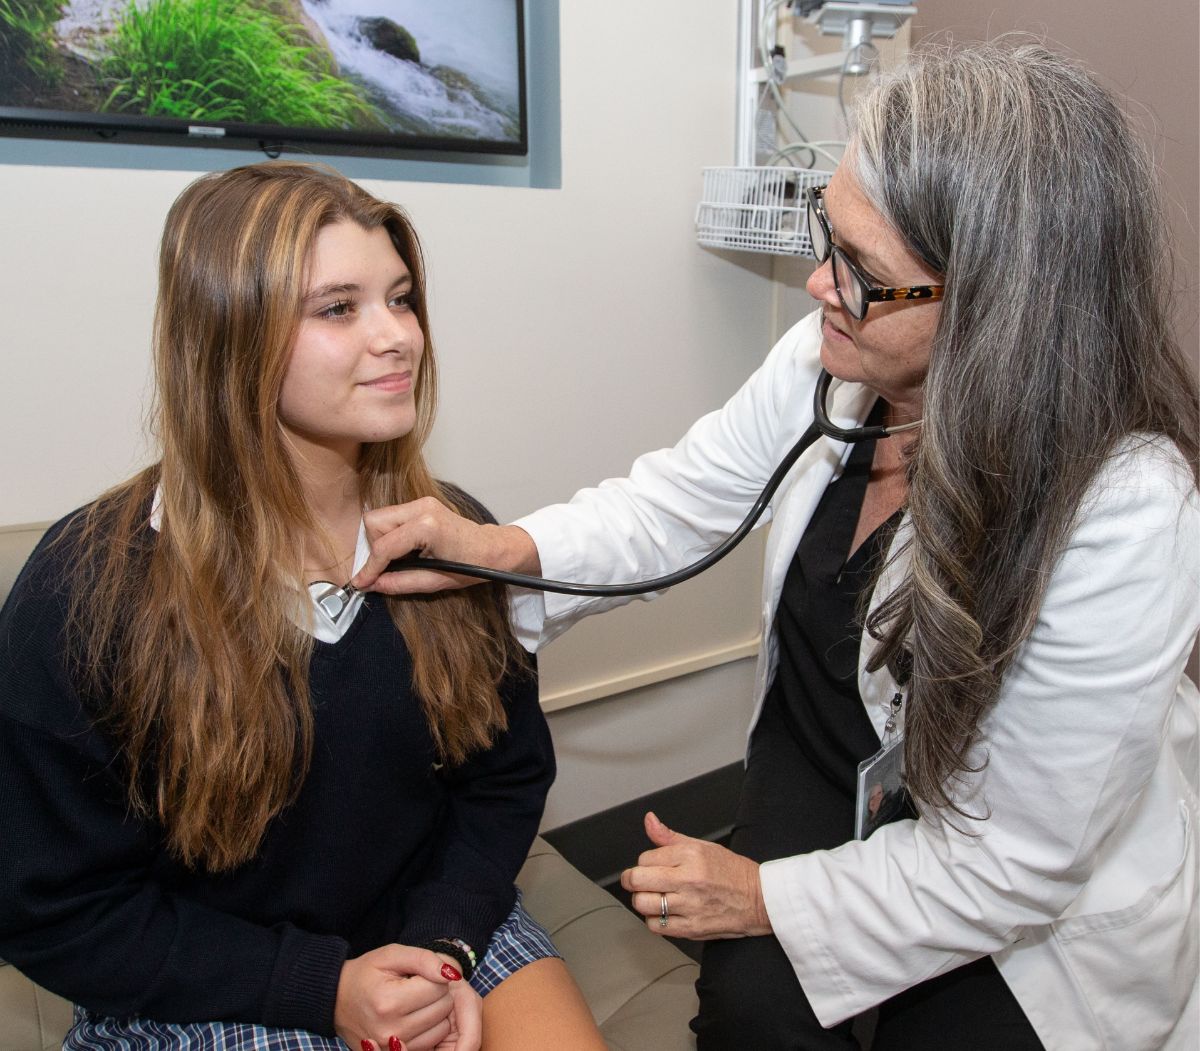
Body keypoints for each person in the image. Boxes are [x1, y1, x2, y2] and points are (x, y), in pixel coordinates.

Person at [348, 42, 1200, 1051]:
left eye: (864, 273)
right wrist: (499, 547)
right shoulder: (828, 360)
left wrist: (768, 897)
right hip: (822, 771)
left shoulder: (1126, 506)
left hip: (1021, 892)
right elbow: (679, 503)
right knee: (755, 1018)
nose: (815, 284)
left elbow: (1019, 858)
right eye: (828, 236)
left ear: (997, 307)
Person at [0, 162, 606, 1051]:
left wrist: (439, 948)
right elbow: (52, 904)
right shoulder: (84, 589)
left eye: (401, 299)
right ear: (228, 335)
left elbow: (503, 780)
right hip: (213, 974)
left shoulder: (454, 538)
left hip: (426, 929)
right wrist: (320, 987)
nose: (397, 336)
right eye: (338, 308)